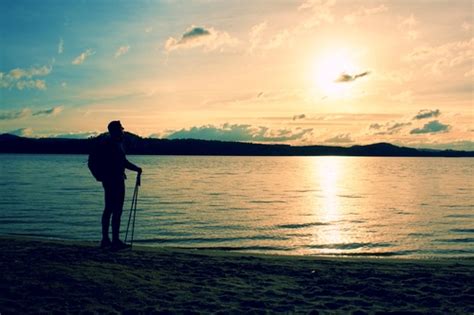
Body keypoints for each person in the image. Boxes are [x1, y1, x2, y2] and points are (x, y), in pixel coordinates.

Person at [100, 120, 142, 250]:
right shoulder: (112, 145)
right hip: (115, 181)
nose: (122, 132)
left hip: (110, 181)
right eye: (120, 130)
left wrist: (136, 169)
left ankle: (107, 240)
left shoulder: (114, 144)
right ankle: (114, 241)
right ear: (114, 131)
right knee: (115, 210)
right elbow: (122, 162)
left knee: (109, 210)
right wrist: (136, 169)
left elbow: (123, 162)